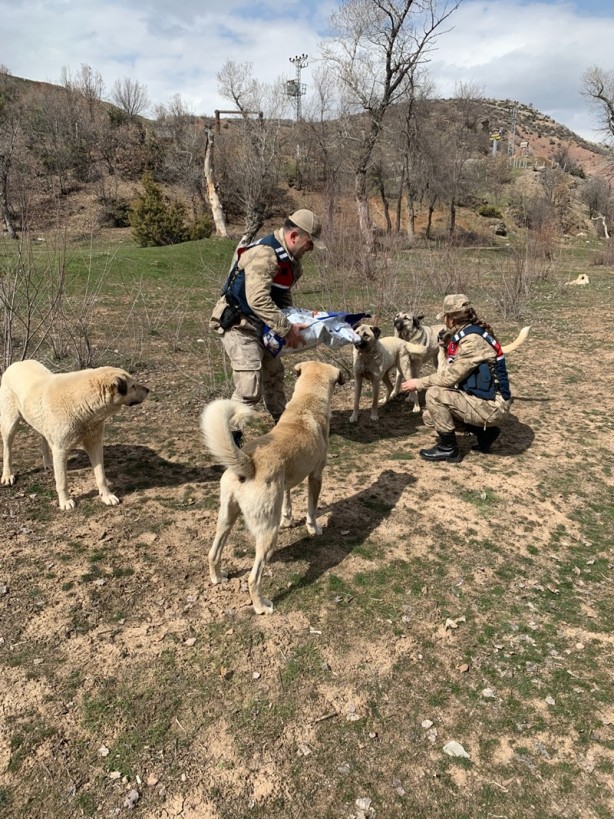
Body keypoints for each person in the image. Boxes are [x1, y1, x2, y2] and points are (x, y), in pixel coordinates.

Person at [210, 209, 325, 429]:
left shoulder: (291, 261)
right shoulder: (265, 254)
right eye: (310, 243)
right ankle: (229, 436)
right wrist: (286, 328)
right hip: (239, 324)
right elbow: (258, 299)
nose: (311, 249)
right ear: (294, 237)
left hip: (264, 325)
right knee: (248, 387)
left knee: (274, 376)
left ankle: (282, 425)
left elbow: (281, 293)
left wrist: (294, 317)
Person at [401, 294, 512, 463]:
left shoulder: (472, 340)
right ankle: (486, 433)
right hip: (487, 399)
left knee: (434, 395)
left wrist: (418, 383)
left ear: (451, 319)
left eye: (445, 317)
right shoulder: (470, 331)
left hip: (493, 407)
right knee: (431, 416)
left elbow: (449, 377)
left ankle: (449, 449)